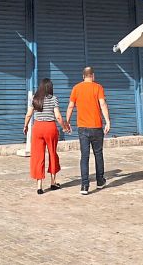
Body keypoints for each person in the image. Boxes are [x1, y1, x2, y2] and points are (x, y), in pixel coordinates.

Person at [64, 66, 110, 195]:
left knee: (84, 156)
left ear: (83, 76)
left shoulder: (76, 88)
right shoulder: (98, 87)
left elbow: (70, 106)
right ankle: (100, 181)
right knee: (98, 154)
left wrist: (67, 122)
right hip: (96, 127)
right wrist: (108, 121)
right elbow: (103, 104)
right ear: (93, 76)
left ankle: (84, 186)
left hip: (82, 128)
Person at [23, 78, 67, 194]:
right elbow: (57, 116)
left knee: (38, 156)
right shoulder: (54, 99)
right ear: (50, 87)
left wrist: (25, 126)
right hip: (50, 128)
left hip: (37, 128)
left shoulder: (35, 99)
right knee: (52, 153)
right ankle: (53, 182)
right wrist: (64, 126)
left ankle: (39, 186)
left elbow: (28, 114)